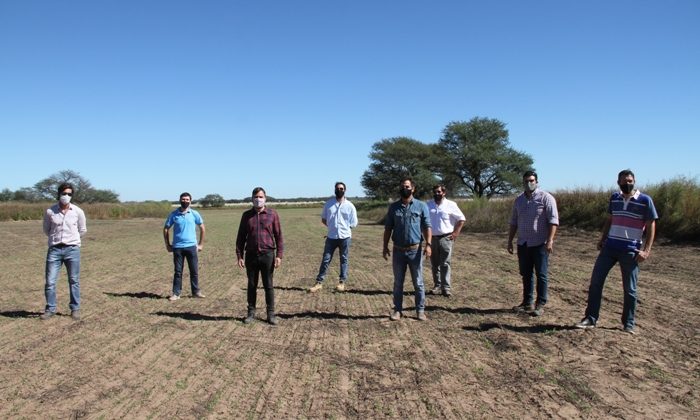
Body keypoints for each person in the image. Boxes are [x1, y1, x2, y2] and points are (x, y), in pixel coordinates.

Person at [575, 169, 658, 334]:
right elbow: (610, 219)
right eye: (624, 181)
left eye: (630, 180)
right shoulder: (614, 198)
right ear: (618, 182)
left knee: (630, 289)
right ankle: (590, 318)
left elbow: (651, 225)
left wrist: (646, 251)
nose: (628, 183)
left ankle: (628, 323)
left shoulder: (645, 200)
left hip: (630, 251)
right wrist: (602, 238)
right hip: (610, 248)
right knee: (596, 283)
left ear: (634, 181)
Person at [507, 171, 559, 316]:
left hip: (540, 243)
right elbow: (513, 222)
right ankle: (527, 302)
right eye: (526, 181)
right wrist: (510, 240)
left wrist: (550, 240)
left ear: (536, 181)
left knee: (541, 274)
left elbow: (553, 221)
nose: (529, 183)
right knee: (526, 274)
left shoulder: (546, 198)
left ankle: (540, 304)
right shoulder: (518, 200)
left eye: (532, 180)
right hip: (523, 243)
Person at [383, 178, 432, 321]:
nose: (405, 188)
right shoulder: (393, 207)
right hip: (398, 251)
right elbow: (388, 228)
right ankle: (397, 310)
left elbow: (427, 226)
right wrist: (385, 246)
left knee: (418, 282)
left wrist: (428, 245)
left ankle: (420, 311)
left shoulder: (421, 206)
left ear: (413, 189)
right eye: (403, 186)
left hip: (415, 250)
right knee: (398, 282)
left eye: (408, 186)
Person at [236, 187, 284, 325]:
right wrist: (239, 255)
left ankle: (271, 314)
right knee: (252, 285)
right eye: (256, 197)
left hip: (267, 255)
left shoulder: (272, 214)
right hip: (251, 255)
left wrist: (279, 255)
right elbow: (240, 237)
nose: (258, 199)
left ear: (265, 198)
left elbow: (279, 236)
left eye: (261, 197)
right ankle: (251, 313)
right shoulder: (246, 216)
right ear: (252, 199)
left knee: (268, 285)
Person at [40, 182, 87, 321]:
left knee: (74, 280)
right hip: (54, 250)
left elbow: (82, 230)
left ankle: (75, 309)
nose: (66, 196)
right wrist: (56, 240)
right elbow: (46, 230)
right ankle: (50, 309)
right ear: (59, 194)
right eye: (64, 193)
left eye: (69, 194)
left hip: (72, 249)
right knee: (50, 282)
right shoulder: (50, 211)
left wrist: (73, 240)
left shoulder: (78, 211)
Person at [309, 182, 358, 293]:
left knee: (344, 259)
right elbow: (324, 219)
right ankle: (319, 283)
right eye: (337, 188)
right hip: (331, 237)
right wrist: (332, 227)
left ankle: (341, 283)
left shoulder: (350, 206)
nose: (339, 190)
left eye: (341, 188)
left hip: (345, 237)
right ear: (334, 190)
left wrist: (344, 229)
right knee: (326, 259)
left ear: (345, 190)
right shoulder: (328, 204)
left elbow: (354, 223)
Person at [163, 192, 206, 301]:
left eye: (187, 199)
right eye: (183, 199)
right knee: (178, 272)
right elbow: (166, 228)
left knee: (194, 271)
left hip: (191, 247)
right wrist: (167, 244)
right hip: (178, 247)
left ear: (190, 201)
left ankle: (196, 292)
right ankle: (176, 294)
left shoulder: (194, 213)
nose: (185, 201)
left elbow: (202, 228)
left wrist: (200, 244)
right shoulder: (174, 214)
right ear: (180, 200)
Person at [427, 184, 466, 297]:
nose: (437, 194)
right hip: (432, 238)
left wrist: (455, 233)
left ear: (444, 193)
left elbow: (461, 219)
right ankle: (437, 285)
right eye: (435, 192)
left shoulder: (451, 205)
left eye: (439, 192)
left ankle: (446, 288)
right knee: (434, 264)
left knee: (445, 263)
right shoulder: (428, 205)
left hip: (446, 238)